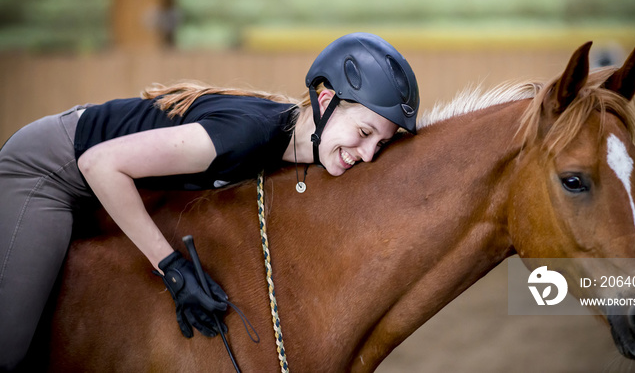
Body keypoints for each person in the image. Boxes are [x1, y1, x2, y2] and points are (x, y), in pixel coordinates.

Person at [0, 32, 419, 370]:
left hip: (94, 171)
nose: (366, 155)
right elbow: (100, 163)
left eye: (380, 145)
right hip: (50, 170)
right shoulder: (250, 135)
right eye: (364, 133)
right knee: (10, 349)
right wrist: (172, 269)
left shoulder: (291, 141)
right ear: (326, 102)